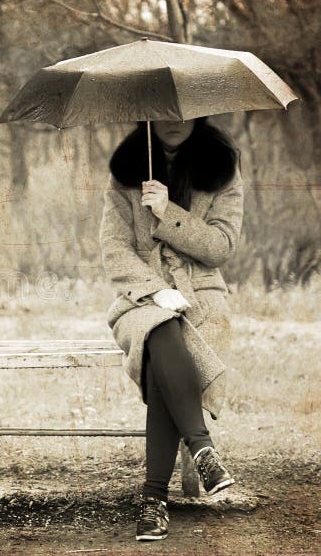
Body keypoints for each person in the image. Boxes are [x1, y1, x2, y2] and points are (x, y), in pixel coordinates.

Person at [99, 117, 244, 541]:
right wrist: (155, 291)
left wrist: (168, 212)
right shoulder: (126, 170)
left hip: (202, 295)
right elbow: (114, 250)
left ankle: (153, 500)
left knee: (166, 359)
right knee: (159, 330)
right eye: (161, 111)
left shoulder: (222, 167)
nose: (174, 122)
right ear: (146, 115)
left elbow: (221, 248)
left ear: (197, 113)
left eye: (183, 112)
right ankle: (202, 447)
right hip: (139, 298)